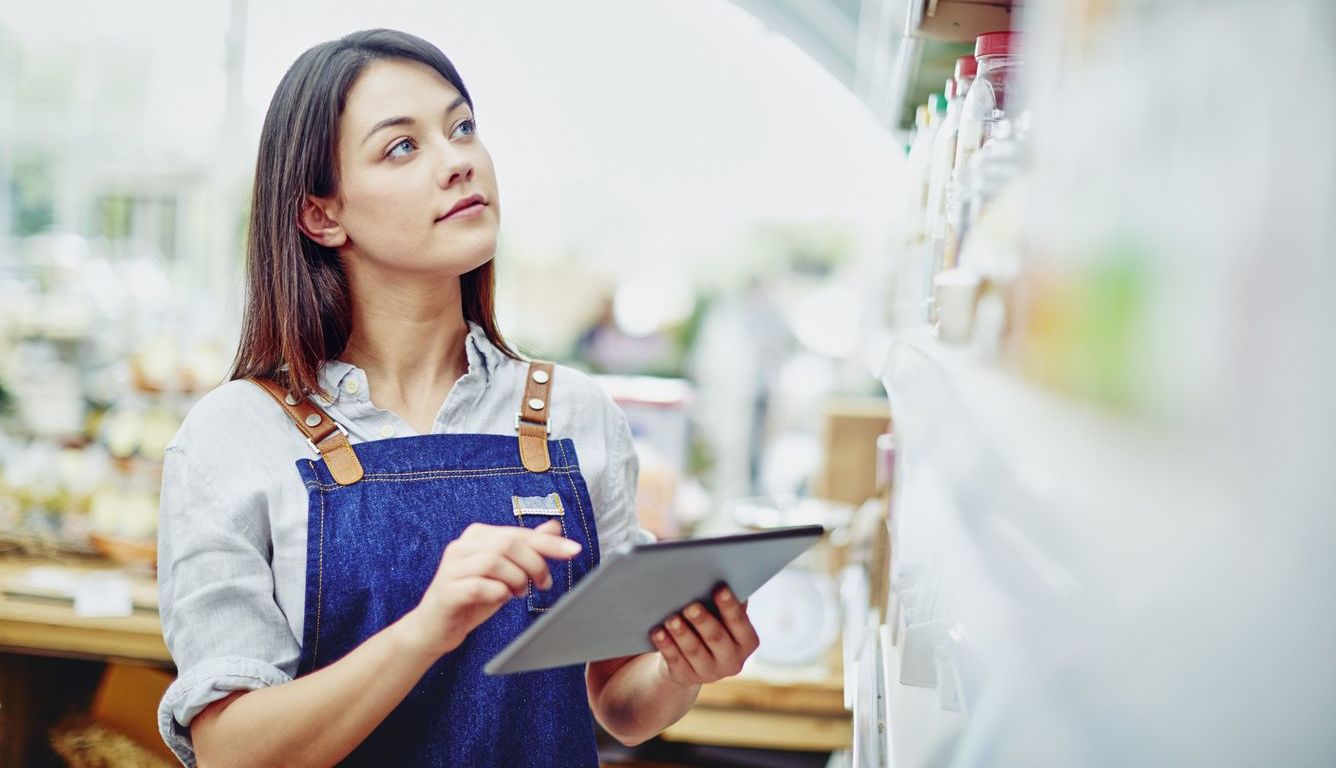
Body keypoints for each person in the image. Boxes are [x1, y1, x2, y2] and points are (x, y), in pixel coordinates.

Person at [155, 29, 760, 767]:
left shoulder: (576, 415)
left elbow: (619, 705)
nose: (459, 161)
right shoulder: (235, 436)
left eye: (462, 127)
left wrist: (680, 667)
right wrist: (425, 631)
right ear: (321, 215)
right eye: (401, 147)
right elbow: (231, 752)